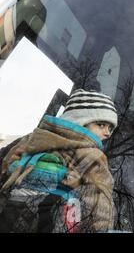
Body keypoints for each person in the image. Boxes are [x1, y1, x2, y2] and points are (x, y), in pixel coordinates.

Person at [0, 89, 117, 232]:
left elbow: (5, 168)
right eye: (101, 125)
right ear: (80, 121)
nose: (108, 133)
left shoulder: (33, 140)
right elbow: (100, 208)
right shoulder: (92, 156)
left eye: (111, 128)